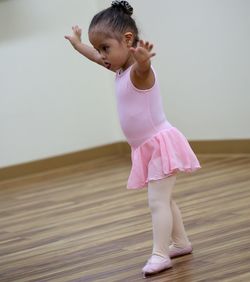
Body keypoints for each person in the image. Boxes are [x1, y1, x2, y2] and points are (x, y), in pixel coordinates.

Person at [65, 0, 201, 278]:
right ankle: (181, 242)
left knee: (157, 202)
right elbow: (94, 57)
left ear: (128, 40)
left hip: (160, 144)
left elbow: (143, 70)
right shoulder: (117, 68)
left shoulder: (139, 73)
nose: (101, 55)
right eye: (99, 48)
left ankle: (160, 254)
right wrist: (79, 45)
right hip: (144, 148)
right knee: (165, 199)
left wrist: (144, 60)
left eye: (106, 48)